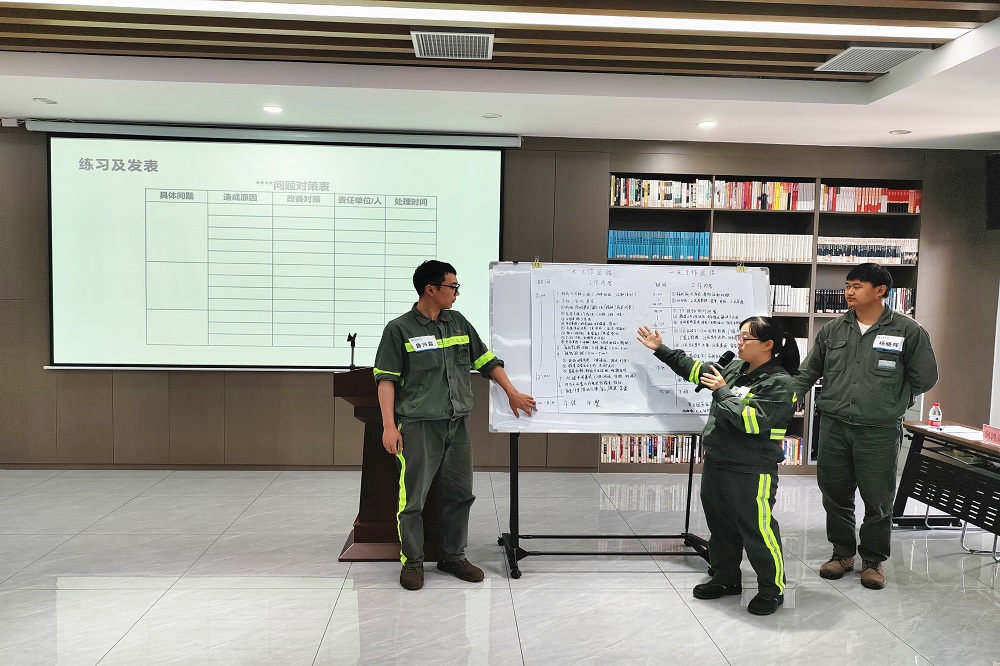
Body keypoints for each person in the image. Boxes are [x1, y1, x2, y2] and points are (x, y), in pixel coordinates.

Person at [374, 260, 536, 591]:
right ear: (430, 289)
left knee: (459, 495)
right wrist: (389, 426)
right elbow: (386, 379)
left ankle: (453, 556)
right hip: (418, 425)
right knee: (412, 499)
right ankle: (412, 561)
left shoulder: (458, 322)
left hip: (457, 423)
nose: (457, 293)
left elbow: (486, 361)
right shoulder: (399, 329)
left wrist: (512, 392)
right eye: (452, 287)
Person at [638, 316, 800, 615]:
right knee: (721, 527)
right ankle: (726, 578)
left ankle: (772, 589)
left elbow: (753, 422)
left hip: (751, 468)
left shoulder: (781, 383)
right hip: (717, 462)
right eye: (738, 336)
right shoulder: (736, 368)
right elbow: (696, 370)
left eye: (745, 338)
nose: (739, 343)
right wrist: (661, 349)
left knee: (758, 530)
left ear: (767, 344)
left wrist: (723, 391)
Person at [792, 262, 937, 590]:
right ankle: (842, 554)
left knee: (878, 499)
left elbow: (925, 377)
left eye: (857, 286)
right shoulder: (833, 330)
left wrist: (891, 400)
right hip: (834, 425)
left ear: (880, 290)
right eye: (847, 285)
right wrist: (784, 398)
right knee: (835, 494)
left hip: (878, 430)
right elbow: (809, 371)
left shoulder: (907, 330)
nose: (849, 291)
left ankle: (873, 560)